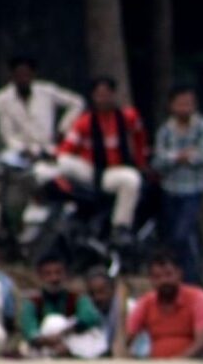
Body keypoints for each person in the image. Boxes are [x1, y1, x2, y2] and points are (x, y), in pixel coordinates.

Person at [56, 76, 149, 244]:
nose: (103, 99)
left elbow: (140, 139)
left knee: (131, 180)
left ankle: (120, 227)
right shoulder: (85, 121)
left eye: (106, 94)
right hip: (91, 171)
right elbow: (67, 148)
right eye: (99, 95)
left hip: (114, 171)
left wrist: (142, 164)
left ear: (113, 95)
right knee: (62, 162)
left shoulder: (128, 116)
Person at [152, 85, 203, 287]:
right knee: (175, 238)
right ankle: (183, 277)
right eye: (180, 103)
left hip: (194, 190)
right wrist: (183, 156)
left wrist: (175, 158)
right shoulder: (165, 130)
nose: (185, 107)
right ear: (171, 105)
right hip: (170, 190)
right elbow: (158, 162)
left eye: (189, 103)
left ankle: (191, 279)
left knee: (183, 235)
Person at [0, 56, 84, 165]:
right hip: (19, 152)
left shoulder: (46, 91)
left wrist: (63, 129)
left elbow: (77, 102)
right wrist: (23, 149)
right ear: (12, 76)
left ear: (33, 75)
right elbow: (7, 134)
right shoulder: (2, 99)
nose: (23, 79)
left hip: (47, 148)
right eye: (19, 74)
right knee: (4, 163)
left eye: (26, 74)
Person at [126, 251, 203, 359]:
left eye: (168, 275)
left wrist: (177, 363)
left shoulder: (198, 298)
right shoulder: (145, 303)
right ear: (151, 280)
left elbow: (202, 342)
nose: (164, 281)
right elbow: (128, 338)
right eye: (157, 277)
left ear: (179, 274)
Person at [19, 253, 103, 358]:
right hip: (45, 345)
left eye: (58, 273)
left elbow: (90, 317)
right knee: (53, 322)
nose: (54, 278)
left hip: (71, 340)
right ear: (40, 277)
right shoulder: (33, 302)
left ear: (65, 275)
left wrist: (64, 333)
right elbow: (30, 331)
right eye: (48, 274)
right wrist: (50, 341)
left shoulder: (76, 298)